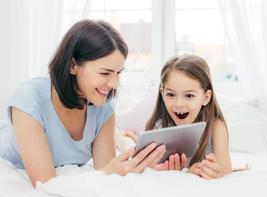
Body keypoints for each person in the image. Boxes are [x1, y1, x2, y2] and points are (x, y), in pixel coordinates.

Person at [0, 19, 166, 187]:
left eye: (118, 73)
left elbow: (106, 171)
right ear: (73, 65)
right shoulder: (30, 100)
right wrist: (108, 173)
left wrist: (139, 167)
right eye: (104, 73)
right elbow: (45, 184)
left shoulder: (104, 107)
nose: (114, 84)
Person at [122, 55, 232, 179]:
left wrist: (211, 172)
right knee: (132, 140)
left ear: (206, 97)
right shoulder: (158, 126)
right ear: (162, 93)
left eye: (189, 96)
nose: (178, 104)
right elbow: (147, 169)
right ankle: (132, 136)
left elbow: (226, 172)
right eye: (170, 94)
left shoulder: (216, 127)